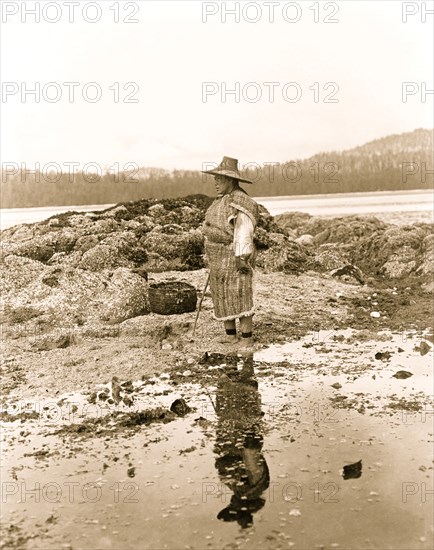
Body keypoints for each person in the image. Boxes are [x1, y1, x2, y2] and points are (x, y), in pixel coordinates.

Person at [202, 156, 259, 348]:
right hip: (218, 258)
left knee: (240, 293)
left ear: (231, 180)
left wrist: (241, 257)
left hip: (235, 255)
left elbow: (243, 231)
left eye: (220, 179)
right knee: (221, 294)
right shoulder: (220, 201)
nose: (216, 183)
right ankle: (230, 335)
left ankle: (247, 339)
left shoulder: (241, 201)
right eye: (215, 179)